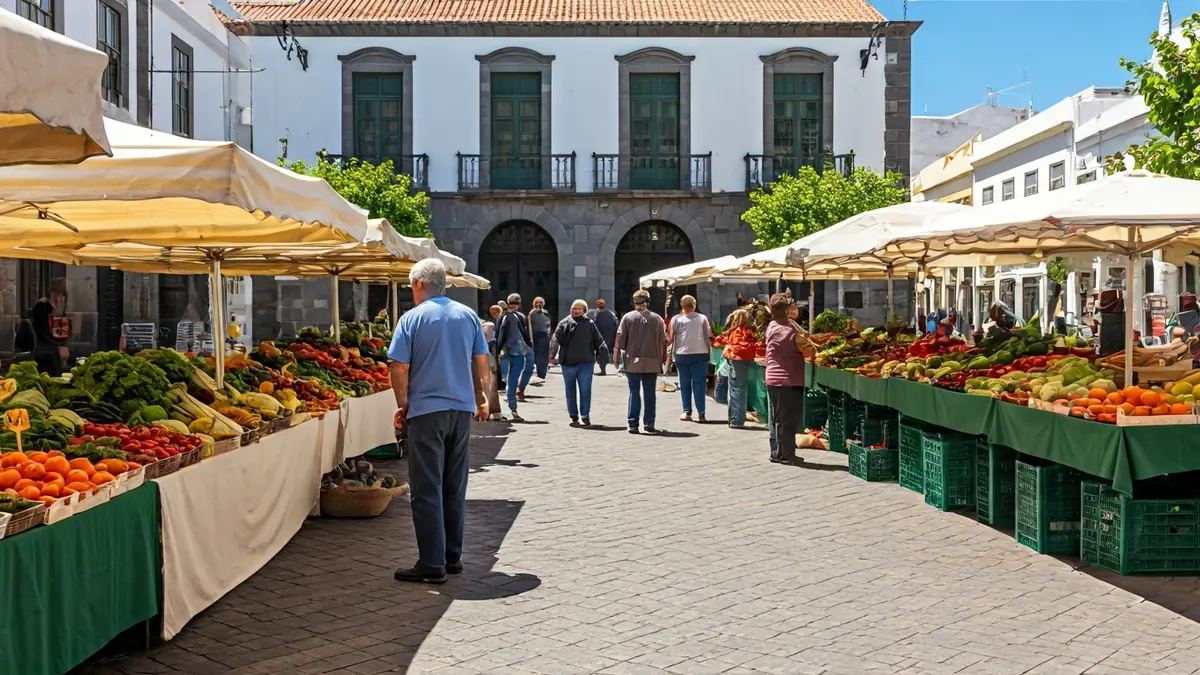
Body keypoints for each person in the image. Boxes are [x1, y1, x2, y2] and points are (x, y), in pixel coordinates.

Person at [387, 259, 490, 584]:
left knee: (426, 487)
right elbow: (481, 359)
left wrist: (403, 405)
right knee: (454, 485)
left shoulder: (412, 318)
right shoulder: (467, 315)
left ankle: (432, 563)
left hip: (426, 411)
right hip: (460, 411)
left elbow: (397, 366)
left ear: (419, 284)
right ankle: (452, 556)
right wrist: (481, 397)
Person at [765, 294, 816, 465]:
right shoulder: (789, 331)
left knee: (777, 418)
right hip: (788, 379)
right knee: (787, 419)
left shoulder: (772, 325)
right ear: (787, 310)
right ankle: (786, 455)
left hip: (772, 377)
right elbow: (809, 349)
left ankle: (776, 452)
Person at [614, 290, 666, 434]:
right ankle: (649, 424)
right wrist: (662, 362)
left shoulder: (627, 318)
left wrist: (618, 358)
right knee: (650, 394)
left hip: (632, 361)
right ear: (648, 302)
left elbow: (620, 341)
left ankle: (633, 424)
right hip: (652, 361)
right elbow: (663, 341)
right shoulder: (657, 319)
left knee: (634, 392)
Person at [550, 300, 606, 426]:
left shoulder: (590, 323)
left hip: (586, 363)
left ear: (584, 310)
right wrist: (552, 355)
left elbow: (598, 340)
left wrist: (602, 355)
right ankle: (573, 416)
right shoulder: (564, 323)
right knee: (570, 391)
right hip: (568, 363)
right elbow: (556, 339)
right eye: (574, 308)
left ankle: (585, 415)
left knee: (585, 390)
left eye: (579, 308)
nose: (576, 311)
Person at [667, 295, 712, 423]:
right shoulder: (702, 318)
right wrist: (709, 352)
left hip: (682, 354)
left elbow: (670, 338)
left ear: (682, 306)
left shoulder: (676, 319)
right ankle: (701, 413)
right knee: (699, 384)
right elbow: (708, 335)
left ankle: (687, 411)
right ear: (694, 305)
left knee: (684, 383)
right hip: (700, 354)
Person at [496, 293, 532, 421]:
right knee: (511, 380)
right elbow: (525, 333)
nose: (514, 306)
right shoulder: (517, 316)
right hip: (514, 351)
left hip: (507, 352)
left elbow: (499, 335)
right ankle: (512, 408)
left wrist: (497, 351)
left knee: (508, 379)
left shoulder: (503, 317)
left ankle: (511, 407)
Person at [719, 309, 757, 428]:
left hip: (736, 361)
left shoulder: (735, 332)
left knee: (736, 389)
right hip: (745, 361)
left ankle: (736, 420)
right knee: (740, 389)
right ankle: (736, 418)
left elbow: (720, 341)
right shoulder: (750, 332)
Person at [15, 300, 65, 377]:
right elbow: (20, 346)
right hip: (33, 364)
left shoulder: (44, 328)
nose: (52, 319)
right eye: (50, 316)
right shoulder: (27, 325)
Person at [588, 299, 619, 376]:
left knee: (603, 353)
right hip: (599, 336)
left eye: (602, 304)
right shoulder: (593, 313)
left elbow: (616, 325)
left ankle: (603, 369)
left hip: (606, 336)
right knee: (599, 353)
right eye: (600, 304)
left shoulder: (609, 314)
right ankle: (602, 369)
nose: (601, 305)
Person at [528, 297, 553, 380]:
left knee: (542, 355)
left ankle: (542, 374)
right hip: (534, 336)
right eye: (537, 302)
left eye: (540, 302)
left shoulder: (545, 312)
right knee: (535, 355)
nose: (538, 304)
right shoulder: (532, 313)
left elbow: (548, 323)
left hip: (543, 336)